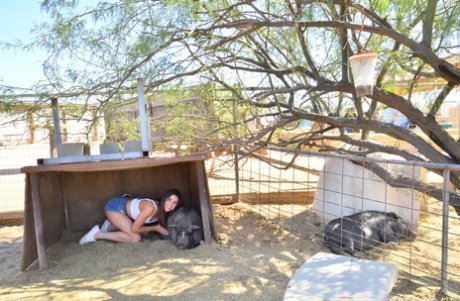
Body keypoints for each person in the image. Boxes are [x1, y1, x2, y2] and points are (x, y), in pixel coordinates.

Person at [79, 188, 184, 244]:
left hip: (125, 213)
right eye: (169, 200)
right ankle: (97, 234)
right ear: (164, 198)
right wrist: (156, 228)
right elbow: (134, 228)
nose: (170, 205)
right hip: (115, 207)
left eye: (174, 203)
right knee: (135, 238)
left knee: (145, 232)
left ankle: (110, 227)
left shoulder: (163, 212)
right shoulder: (151, 208)